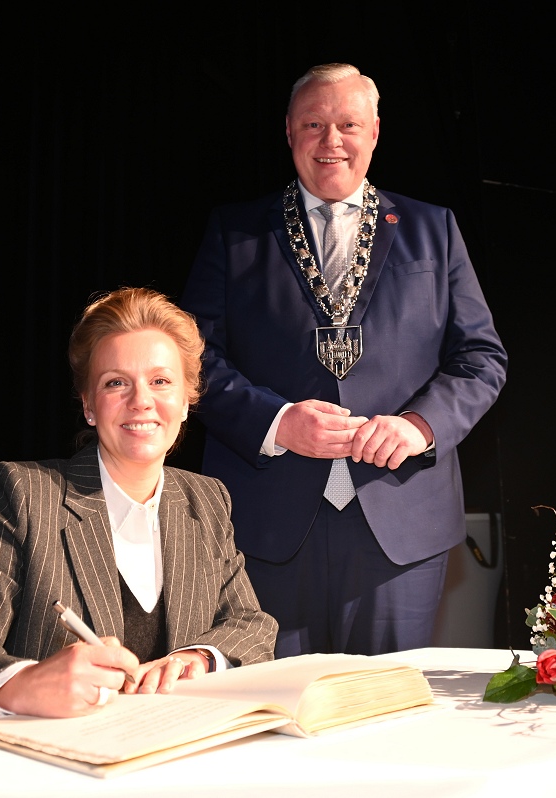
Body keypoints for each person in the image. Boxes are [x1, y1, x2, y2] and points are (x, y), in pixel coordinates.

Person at [181, 63, 507, 658]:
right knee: (271, 705)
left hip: (401, 523)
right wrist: (278, 422)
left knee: (386, 708)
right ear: (289, 131)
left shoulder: (433, 229)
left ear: (374, 132)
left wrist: (419, 426)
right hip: (266, 526)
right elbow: (192, 361)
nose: (331, 140)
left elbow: (481, 358)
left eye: (348, 124)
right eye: (313, 124)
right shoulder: (234, 232)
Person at [0, 288, 278, 719]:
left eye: (160, 381)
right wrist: (24, 683)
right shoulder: (24, 493)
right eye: (116, 382)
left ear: (185, 402)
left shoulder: (206, 499)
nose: (141, 400)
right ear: (88, 405)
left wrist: (199, 657)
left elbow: (252, 626)